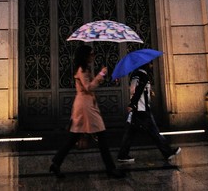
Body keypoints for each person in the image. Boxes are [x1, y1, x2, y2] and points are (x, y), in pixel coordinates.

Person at [49, 44, 125, 178]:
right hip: (85, 107)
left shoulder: (85, 69)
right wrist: (101, 74)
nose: (93, 56)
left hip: (86, 105)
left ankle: (56, 163)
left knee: (74, 137)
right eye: (91, 53)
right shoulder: (82, 70)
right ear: (85, 56)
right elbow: (89, 87)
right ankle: (110, 169)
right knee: (101, 135)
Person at [117, 61, 180, 163]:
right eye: (150, 64)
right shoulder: (143, 75)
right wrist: (132, 104)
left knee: (130, 132)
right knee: (154, 132)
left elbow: (134, 89)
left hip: (137, 109)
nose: (151, 66)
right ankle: (167, 152)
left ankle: (122, 154)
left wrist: (147, 93)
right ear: (146, 65)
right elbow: (138, 90)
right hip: (142, 109)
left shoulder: (135, 74)